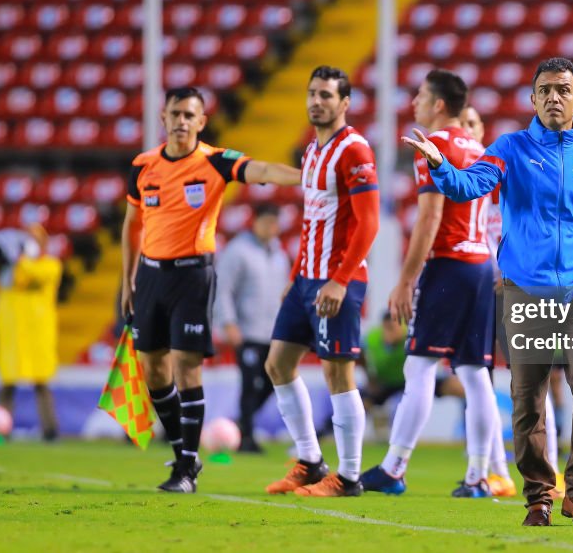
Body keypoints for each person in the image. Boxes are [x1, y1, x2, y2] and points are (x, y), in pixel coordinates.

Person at [405, 57, 573, 527]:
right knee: (528, 397)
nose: (553, 98)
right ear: (532, 99)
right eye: (544, 90)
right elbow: (468, 187)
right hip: (525, 291)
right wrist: (441, 166)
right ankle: (540, 496)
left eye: (563, 90)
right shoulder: (510, 148)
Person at [121, 86, 301, 493]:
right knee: (153, 370)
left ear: (202, 123)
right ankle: (185, 450)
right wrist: (127, 279)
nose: (182, 121)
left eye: (190, 115)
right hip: (150, 276)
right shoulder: (142, 166)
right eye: (176, 113)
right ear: (163, 118)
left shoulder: (216, 162)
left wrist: (308, 176)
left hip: (193, 275)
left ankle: (185, 468)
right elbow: (132, 225)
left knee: (187, 364)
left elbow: (265, 172)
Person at [361, 69, 499, 498]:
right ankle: (479, 476)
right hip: (481, 265)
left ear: (438, 104)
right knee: (476, 375)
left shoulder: (434, 145)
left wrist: (405, 281)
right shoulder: (479, 147)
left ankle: (394, 467)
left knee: (418, 366)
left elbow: (430, 215)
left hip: (449, 264)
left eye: (420, 96)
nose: (414, 102)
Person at [264, 66, 380, 498]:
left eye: (327, 95)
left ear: (345, 103)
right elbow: (314, 220)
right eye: (312, 93)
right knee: (277, 364)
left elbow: (369, 223)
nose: (317, 101)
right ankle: (311, 462)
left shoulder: (354, 150)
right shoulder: (312, 151)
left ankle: (349, 478)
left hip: (338, 281)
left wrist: (339, 281)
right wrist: (296, 278)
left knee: (338, 375)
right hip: (305, 279)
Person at [460, 105, 518, 498]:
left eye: (471, 124)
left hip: (513, 288)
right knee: (478, 377)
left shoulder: (503, 175)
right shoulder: (462, 184)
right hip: (478, 288)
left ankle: (545, 468)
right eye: (459, 123)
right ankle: (492, 470)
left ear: (483, 132)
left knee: (531, 379)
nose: (464, 130)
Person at [213, 203, 291, 453]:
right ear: (254, 222)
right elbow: (224, 288)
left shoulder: (279, 254)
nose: (271, 228)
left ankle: (240, 424)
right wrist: (228, 322)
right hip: (246, 330)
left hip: (273, 332)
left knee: (272, 382)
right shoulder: (238, 251)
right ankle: (245, 435)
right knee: (249, 383)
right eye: (266, 222)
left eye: (274, 223)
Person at [0, 224, 63, 440]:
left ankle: (50, 432)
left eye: (35, 239)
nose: (30, 242)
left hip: (38, 334)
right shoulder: (8, 270)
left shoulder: (51, 265)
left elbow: (30, 273)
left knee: (41, 384)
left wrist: (18, 257)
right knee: (7, 384)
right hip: (12, 335)